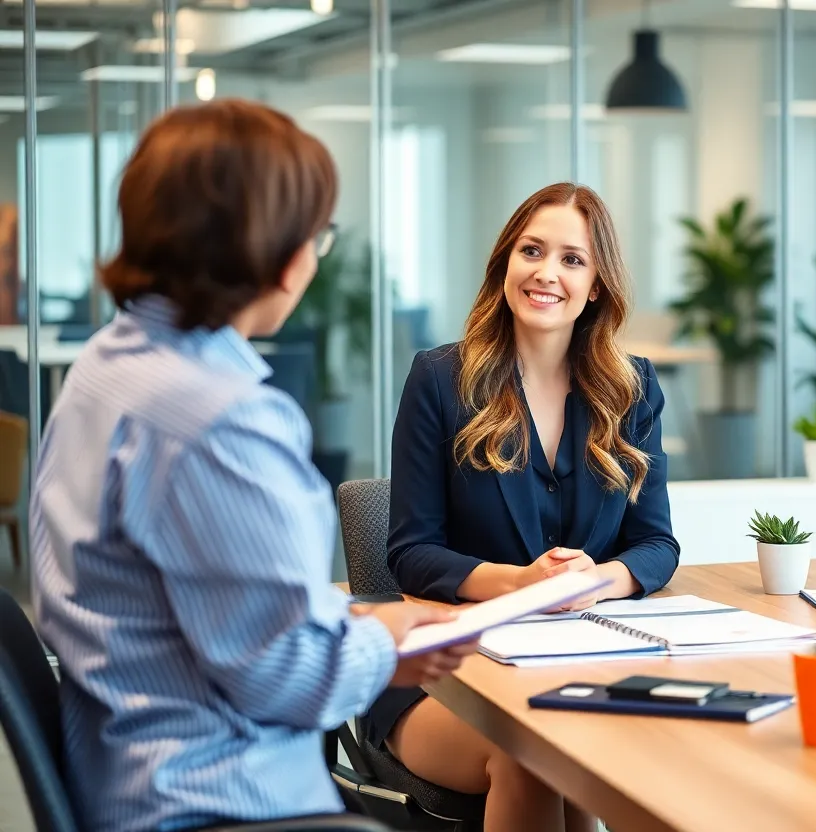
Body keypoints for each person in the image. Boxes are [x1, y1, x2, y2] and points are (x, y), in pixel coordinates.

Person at [29, 99, 477, 832]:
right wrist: (387, 645)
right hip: (222, 801)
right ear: (272, 247)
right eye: (316, 232)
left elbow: (206, 599)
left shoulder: (107, 368)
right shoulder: (217, 417)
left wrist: (357, 616)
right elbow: (285, 677)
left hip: (128, 773)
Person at [367, 182, 680, 831]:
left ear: (596, 285)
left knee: (630, 754)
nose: (546, 273)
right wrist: (523, 584)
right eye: (531, 251)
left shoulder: (632, 388)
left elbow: (657, 545)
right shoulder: (440, 379)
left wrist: (596, 579)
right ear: (505, 263)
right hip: (448, 674)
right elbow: (411, 553)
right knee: (537, 757)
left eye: (572, 259)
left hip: (576, 660)